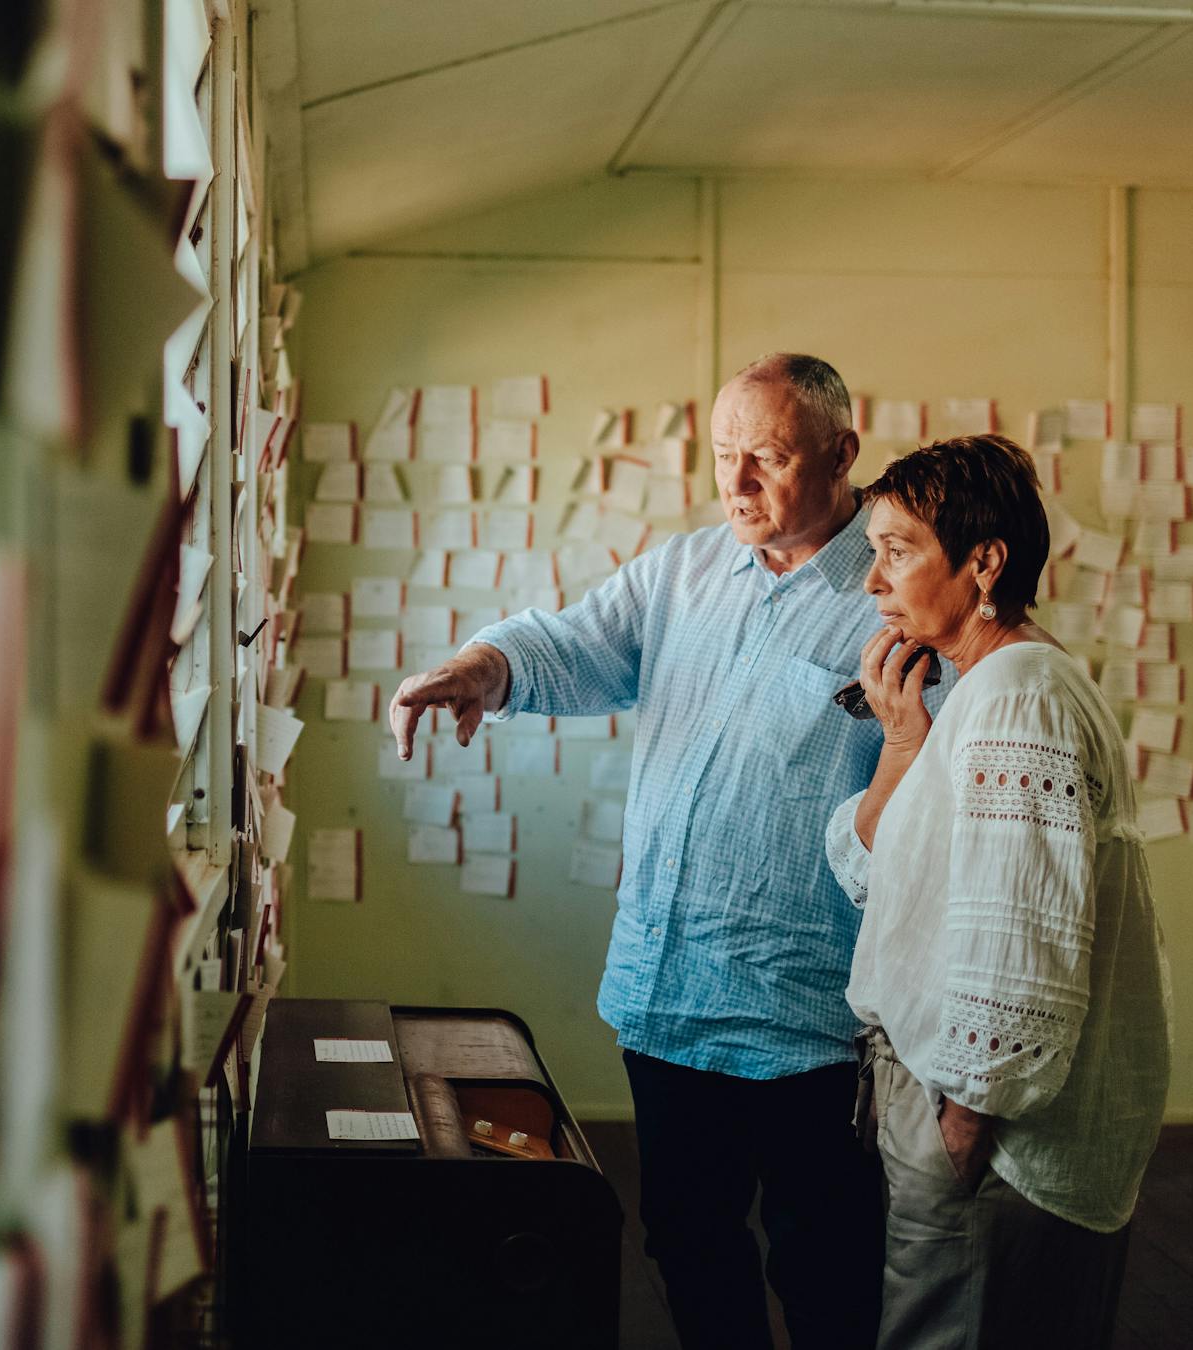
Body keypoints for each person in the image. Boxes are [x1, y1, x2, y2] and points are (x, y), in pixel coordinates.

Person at [389, 354, 937, 1349]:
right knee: (686, 1242)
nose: (735, 485)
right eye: (724, 455)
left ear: (844, 453)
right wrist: (482, 665)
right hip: (667, 997)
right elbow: (575, 644)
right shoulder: (686, 570)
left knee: (825, 1264)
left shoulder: (895, 595)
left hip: (807, 1014)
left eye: (766, 458)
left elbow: (935, 794)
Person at [825, 435, 1171, 1349]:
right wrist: (904, 741)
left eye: (898, 551)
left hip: (984, 1130)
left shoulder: (1019, 693)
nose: (874, 581)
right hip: (958, 1106)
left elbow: (1019, 932)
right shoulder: (992, 685)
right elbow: (875, 872)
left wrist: (964, 1120)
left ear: (984, 563)